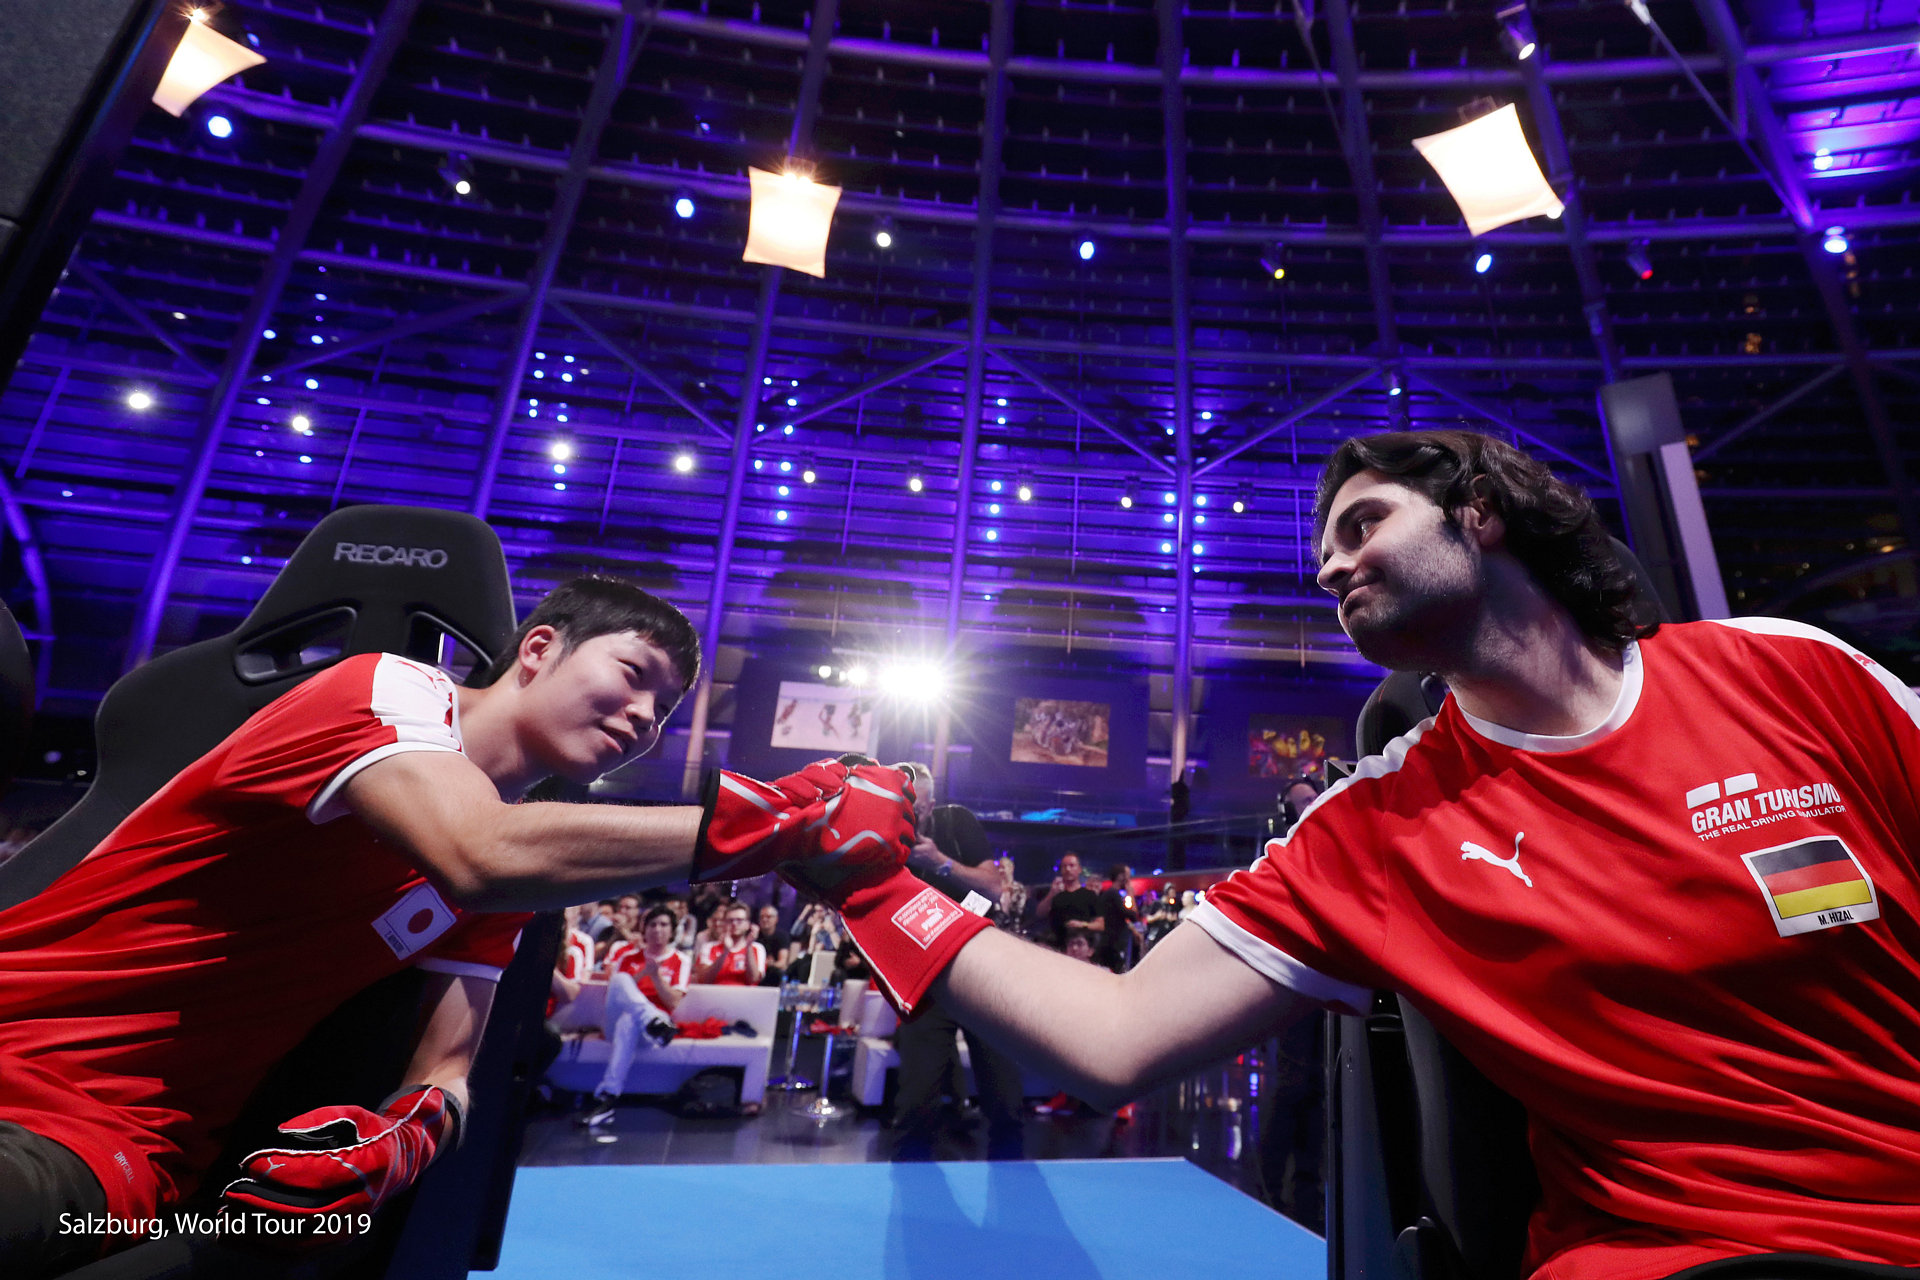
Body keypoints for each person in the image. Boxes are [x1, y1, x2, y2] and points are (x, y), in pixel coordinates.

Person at [781, 429, 1920, 1280]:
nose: (1328, 570)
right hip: (1683, 1256)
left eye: (1361, 525)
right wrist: (870, 882)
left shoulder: (1788, 669)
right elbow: (1116, 1036)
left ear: (1480, 511)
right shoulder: (1379, 825)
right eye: (1323, 553)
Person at [0, 574, 919, 1276]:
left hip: (88, 1135)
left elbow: (445, 1074)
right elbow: (477, 850)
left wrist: (401, 1141)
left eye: (667, 709)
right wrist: (786, 824)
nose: (645, 719)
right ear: (540, 649)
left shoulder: (516, 874)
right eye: (634, 676)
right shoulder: (389, 691)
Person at [882, 760, 1027, 1162]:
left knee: (1005, 1100)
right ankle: (911, 1191)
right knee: (915, 1106)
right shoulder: (884, 840)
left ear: (931, 804)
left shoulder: (956, 822)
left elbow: (994, 888)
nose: (913, 817)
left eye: (919, 808)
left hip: (980, 970)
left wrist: (939, 862)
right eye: (903, 808)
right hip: (927, 978)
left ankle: (1014, 1186)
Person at [579, 905, 689, 1127]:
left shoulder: (681, 960)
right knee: (620, 980)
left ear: (672, 931)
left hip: (647, 1028)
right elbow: (615, 994)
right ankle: (652, 1022)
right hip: (635, 1023)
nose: (657, 929)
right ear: (644, 929)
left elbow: (673, 1002)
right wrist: (643, 972)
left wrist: (656, 976)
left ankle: (608, 1097)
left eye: (663, 925)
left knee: (628, 1021)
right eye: (653, 925)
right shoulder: (628, 957)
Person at [1031, 851, 1101, 948]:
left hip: (1078, 946)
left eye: (1072, 866)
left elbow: (1100, 924)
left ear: (1079, 869)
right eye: (1064, 866)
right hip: (1055, 944)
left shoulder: (1089, 895)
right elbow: (1040, 913)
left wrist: (1082, 925)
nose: (1068, 869)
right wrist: (1052, 894)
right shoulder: (1055, 893)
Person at [694, 900, 766, 986]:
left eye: (739, 920)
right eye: (730, 920)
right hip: (716, 993)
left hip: (744, 994)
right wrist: (725, 952)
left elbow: (753, 979)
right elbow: (704, 980)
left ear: (747, 924)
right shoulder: (709, 947)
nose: (734, 924)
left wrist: (748, 946)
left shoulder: (757, 948)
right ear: (724, 923)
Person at [755, 902, 792, 983]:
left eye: (768, 917)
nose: (764, 919)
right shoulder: (754, 936)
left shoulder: (782, 936)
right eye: (762, 917)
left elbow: (782, 963)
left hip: (773, 971)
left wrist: (770, 964)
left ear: (776, 919)